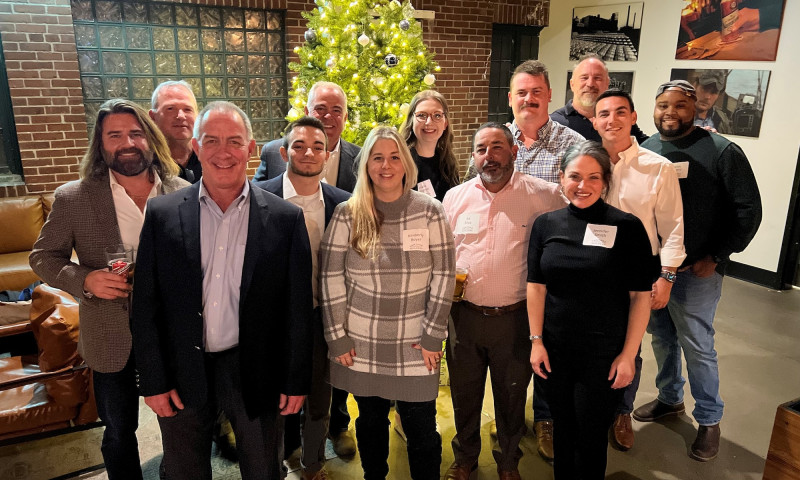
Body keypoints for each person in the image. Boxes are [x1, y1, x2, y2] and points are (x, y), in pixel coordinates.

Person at [130, 101, 314, 479]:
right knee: (184, 471)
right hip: (182, 367)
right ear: (196, 147)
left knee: (263, 469)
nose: (223, 152)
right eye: (211, 140)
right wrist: (153, 380)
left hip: (255, 368)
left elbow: (296, 309)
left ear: (251, 148)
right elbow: (146, 305)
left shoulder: (286, 219)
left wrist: (295, 380)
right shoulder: (162, 213)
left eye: (234, 141)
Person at [29, 98, 188, 479]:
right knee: (118, 430)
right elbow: (43, 257)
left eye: (136, 133)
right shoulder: (74, 197)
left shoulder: (182, 191)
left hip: (171, 334)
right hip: (109, 334)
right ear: (100, 145)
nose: (127, 143)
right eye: (114, 135)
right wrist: (85, 279)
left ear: (151, 138)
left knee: (180, 426)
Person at [636, 80, 762, 461]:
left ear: (696, 108)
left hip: (697, 272)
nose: (670, 112)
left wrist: (718, 256)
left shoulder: (722, 151)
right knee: (662, 338)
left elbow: (748, 211)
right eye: (663, 105)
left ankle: (709, 419)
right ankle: (670, 398)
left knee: (697, 345)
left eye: (679, 105)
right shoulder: (647, 148)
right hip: (655, 271)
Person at [320, 126, 455, 480]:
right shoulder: (348, 214)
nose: (386, 165)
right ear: (366, 164)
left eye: (394, 157)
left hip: (416, 343)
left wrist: (433, 336)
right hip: (362, 342)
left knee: (422, 428)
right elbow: (331, 278)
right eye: (377, 157)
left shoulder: (430, 211)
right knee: (370, 422)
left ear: (406, 163)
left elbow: (444, 275)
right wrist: (337, 337)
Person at [442, 123, 565, 480]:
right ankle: (465, 457)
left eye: (497, 147)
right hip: (463, 317)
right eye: (481, 149)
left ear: (513, 152)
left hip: (515, 318)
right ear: (473, 156)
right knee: (464, 394)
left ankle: (508, 462)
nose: (489, 156)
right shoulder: (455, 198)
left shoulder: (544, 196)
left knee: (511, 397)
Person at [527, 140, 653, 479]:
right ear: (561, 178)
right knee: (563, 430)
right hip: (556, 350)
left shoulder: (627, 227)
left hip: (603, 353)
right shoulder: (546, 224)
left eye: (593, 177)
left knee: (591, 436)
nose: (583, 185)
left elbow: (641, 296)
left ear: (606, 181)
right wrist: (536, 341)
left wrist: (628, 355)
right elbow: (536, 286)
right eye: (575, 176)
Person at [254, 116, 350, 480]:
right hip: (274, 321)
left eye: (317, 147)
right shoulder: (259, 199)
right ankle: (275, 462)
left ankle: (313, 464)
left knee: (319, 399)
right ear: (283, 153)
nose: (309, 153)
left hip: (322, 316)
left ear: (327, 155)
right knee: (276, 399)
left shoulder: (343, 204)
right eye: (299, 146)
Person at [591, 89, 686, 451]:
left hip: (635, 273)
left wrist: (667, 276)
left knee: (630, 345)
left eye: (620, 112)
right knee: (590, 341)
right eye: (603, 114)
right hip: (590, 269)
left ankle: (622, 411)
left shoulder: (657, 167)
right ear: (594, 121)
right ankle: (590, 407)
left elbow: (673, 227)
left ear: (633, 117)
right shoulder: (587, 162)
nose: (611, 120)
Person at [463, 60, 584, 185]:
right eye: (521, 93)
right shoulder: (488, 144)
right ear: (510, 99)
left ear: (549, 95)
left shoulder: (574, 144)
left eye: (536, 92)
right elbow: (469, 191)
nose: (528, 99)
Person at [254, 81, 360, 193]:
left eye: (336, 110)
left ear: (345, 117)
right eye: (320, 109)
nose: (328, 116)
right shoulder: (273, 153)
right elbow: (255, 196)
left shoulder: (361, 158)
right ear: (306, 112)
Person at [550, 54, 649, 144]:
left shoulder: (618, 121)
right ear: (572, 84)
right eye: (584, 78)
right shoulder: (554, 123)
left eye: (597, 78)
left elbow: (648, 146)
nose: (590, 84)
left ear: (607, 84)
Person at [399, 90, 460, 200]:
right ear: (411, 121)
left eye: (437, 115)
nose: (428, 122)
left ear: (445, 123)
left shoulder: (448, 163)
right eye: (421, 115)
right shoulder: (400, 161)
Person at [150, 80, 202, 183]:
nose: (181, 116)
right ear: (153, 117)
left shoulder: (212, 157)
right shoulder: (144, 164)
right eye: (170, 109)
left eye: (187, 109)